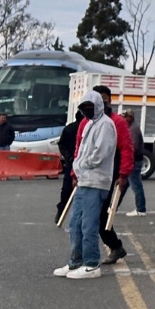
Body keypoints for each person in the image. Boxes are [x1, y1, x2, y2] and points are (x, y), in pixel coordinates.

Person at [54, 91, 117, 280]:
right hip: (84, 180)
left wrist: (81, 164)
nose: (87, 111)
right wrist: (78, 167)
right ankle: (76, 261)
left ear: (98, 106)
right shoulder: (89, 124)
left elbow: (100, 153)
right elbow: (81, 149)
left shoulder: (106, 125)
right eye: (84, 108)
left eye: (90, 107)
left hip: (97, 181)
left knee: (89, 224)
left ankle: (91, 263)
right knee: (75, 223)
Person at [72, 85, 133, 266]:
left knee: (102, 217)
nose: (102, 100)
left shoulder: (116, 122)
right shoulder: (86, 122)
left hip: (110, 175)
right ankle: (112, 248)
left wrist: (123, 174)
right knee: (86, 218)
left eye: (104, 97)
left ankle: (113, 248)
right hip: (86, 176)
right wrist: (75, 172)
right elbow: (79, 149)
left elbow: (127, 149)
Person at [56, 109, 82, 223]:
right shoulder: (70, 129)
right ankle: (61, 212)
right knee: (67, 191)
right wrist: (69, 156)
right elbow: (62, 144)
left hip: (85, 163)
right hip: (72, 163)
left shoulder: (91, 128)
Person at [122, 110, 148, 216]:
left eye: (125, 117)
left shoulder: (133, 129)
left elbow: (134, 147)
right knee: (124, 185)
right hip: (134, 160)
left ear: (130, 117)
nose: (123, 119)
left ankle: (141, 209)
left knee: (136, 185)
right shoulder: (131, 128)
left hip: (134, 161)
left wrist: (127, 155)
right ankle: (112, 206)